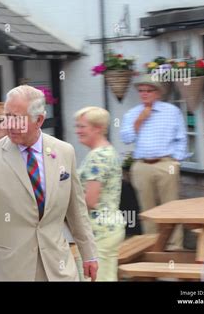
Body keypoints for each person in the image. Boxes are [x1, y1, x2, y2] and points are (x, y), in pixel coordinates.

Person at [0, 85, 98, 281]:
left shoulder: (64, 152)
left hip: (57, 269)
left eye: (17, 118)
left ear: (39, 120)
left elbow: (77, 210)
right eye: (7, 116)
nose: (9, 124)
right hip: (7, 272)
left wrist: (89, 254)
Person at [120, 74, 187, 250]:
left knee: (170, 206)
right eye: (141, 91)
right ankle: (151, 246)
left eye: (149, 90)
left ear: (158, 93)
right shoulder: (132, 113)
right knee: (146, 209)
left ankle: (174, 247)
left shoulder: (171, 111)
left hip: (166, 163)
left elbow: (181, 138)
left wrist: (176, 161)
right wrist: (140, 119)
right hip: (142, 165)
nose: (144, 94)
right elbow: (126, 139)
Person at [75, 106, 125, 281]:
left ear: (97, 128)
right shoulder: (109, 151)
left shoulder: (98, 157)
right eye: (77, 126)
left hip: (99, 231)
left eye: (82, 126)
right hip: (110, 227)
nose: (77, 131)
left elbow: (90, 200)